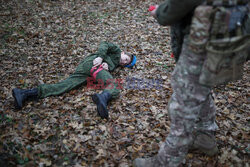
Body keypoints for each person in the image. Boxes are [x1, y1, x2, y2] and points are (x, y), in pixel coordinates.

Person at [134, 1, 249, 167]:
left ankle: (167, 160)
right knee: (201, 88)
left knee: (184, 101)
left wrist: (162, 13)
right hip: (230, 29)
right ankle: (205, 136)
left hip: (205, 35)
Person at [12, 41, 137, 119]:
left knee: (64, 86)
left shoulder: (114, 64)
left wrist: (108, 67)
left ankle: (25, 93)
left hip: (86, 71)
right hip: (93, 65)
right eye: (126, 59)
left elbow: (107, 68)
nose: (124, 62)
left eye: (126, 63)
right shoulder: (116, 50)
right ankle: (104, 97)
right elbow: (104, 43)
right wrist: (100, 57)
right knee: (114, 84)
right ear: (124, 52)